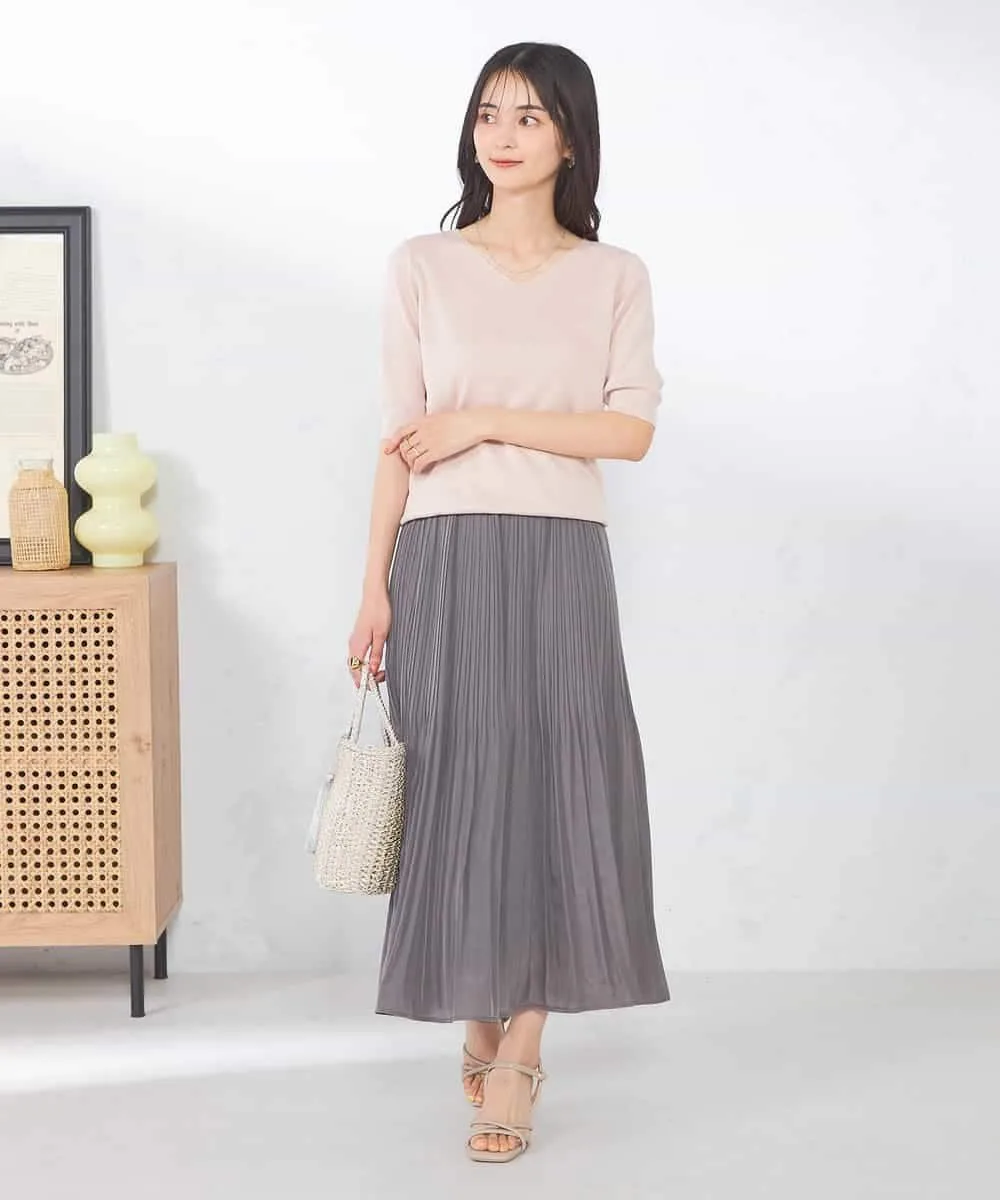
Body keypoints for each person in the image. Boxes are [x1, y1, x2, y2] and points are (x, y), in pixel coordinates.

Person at [347, 41, 670, 1164]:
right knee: (457, 787)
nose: (503, 134)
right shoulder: (422, 265)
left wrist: (483, 418)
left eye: (529, 116)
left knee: (558, 785)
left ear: (570, 138)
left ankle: (521, 1046)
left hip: (562, 555)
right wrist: (372, 587)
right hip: (441, 556)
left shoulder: (613, 273)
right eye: (490, 112)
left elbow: (629, 430)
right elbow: (396, 437)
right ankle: (477, 1016)